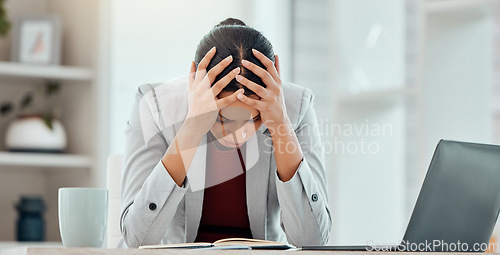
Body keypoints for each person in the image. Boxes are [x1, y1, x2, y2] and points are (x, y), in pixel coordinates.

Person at [120, 18, 331, 248]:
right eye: (223, 119)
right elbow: (137, 239)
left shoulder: (296, 107)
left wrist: (281, 125)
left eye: (255, 118)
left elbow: (313, 242)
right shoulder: (154, 105)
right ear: (194, 82)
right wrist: (193, 126)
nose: (239, 135)